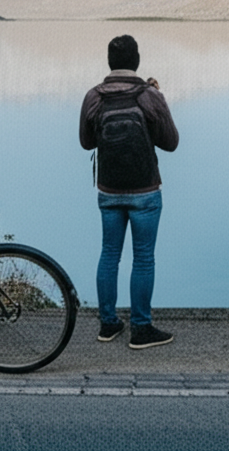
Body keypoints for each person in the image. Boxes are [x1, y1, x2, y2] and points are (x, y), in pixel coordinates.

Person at [79, 35, 179, 349]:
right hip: (145, 192)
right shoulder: (148, 95)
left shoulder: (94, 96)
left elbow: (86, 142)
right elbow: (171, 142)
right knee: (143, 259)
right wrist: (159, 101)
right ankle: (141, 328)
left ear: (110, 62)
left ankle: (108, 324)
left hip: (109, 191)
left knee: (109, 255)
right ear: (136, 60)